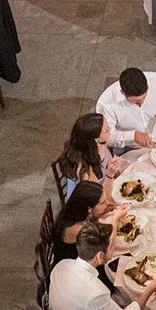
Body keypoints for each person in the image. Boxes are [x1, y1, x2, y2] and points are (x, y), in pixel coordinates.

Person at [51, 113, 114, 263]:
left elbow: (100, 199)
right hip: (77, 263)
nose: (110, 130)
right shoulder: (85, 173)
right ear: (93, 139)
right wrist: (115, 218)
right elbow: (105, 255)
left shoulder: (97, 147)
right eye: (106, 130)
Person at [95, 65, 156, 149]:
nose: (142, 102)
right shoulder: (106, 104)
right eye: (136, 101)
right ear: (123, 93)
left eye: (144, 97)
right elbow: (106, 137)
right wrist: (133, 136)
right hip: (129, 147)